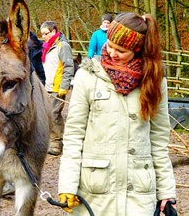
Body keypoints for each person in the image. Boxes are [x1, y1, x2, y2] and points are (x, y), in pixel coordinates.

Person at [58, 13, 176, 215]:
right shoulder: (87, 76)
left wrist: (166, 191)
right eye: (110, 45)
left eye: (121, 50)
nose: (112, 53)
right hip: (95, 192)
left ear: (137, 50)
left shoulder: (155, 82)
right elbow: (74, 136)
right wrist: (67, 185)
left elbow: (158, 140)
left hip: (139, 194)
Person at [40, 20, 74, 156]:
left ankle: (57, 144)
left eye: (45, 33)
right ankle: (50, 140)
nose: (43, 36)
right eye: (42, 34)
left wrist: (64, 86)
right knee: (47, 115)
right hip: (47, 86)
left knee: (54, 115)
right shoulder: (47, 46)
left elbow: (68, 66)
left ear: (53, 31)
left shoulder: (62, 46)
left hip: (57, 87)